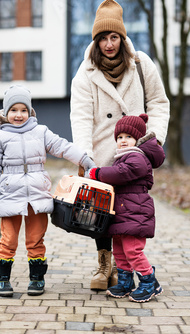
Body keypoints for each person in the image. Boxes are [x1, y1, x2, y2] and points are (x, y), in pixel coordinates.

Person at [70, 0, 170, 291]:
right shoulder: (85, 73)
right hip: (102, 154)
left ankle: (130, 265)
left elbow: (160, 103)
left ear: (122, 38)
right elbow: (80, 116)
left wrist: (153, 140)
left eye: (114, 37)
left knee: (128, 211)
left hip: (134, 154)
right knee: (100, 214)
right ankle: (106, 264)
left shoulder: (141, 64)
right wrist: (84, 155)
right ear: (96, 40)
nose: (109, 44)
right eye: (103, 38)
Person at [0, 85, 96, 297]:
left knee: (36, 239)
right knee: (8, 239)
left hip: (37, 194)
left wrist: (83, 159)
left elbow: (61, 146)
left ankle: (36, 279)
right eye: (14, 110)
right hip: (10, 195)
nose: (19, 115)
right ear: (6, 112)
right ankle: (1, 279)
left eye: (24, 110)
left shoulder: (40, 132)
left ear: (30, 111)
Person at [87, 114, 165, 302]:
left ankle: (149, 282)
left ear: (138, 140)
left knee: (133, 251)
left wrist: (97, 173)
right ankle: (125, 282)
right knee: (120, 251)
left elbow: (122, 173)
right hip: (123, 212)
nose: (123, 141)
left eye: (128, 137)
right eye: (119, 137)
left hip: (135, 212)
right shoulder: (123, 157)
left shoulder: (137, 157)